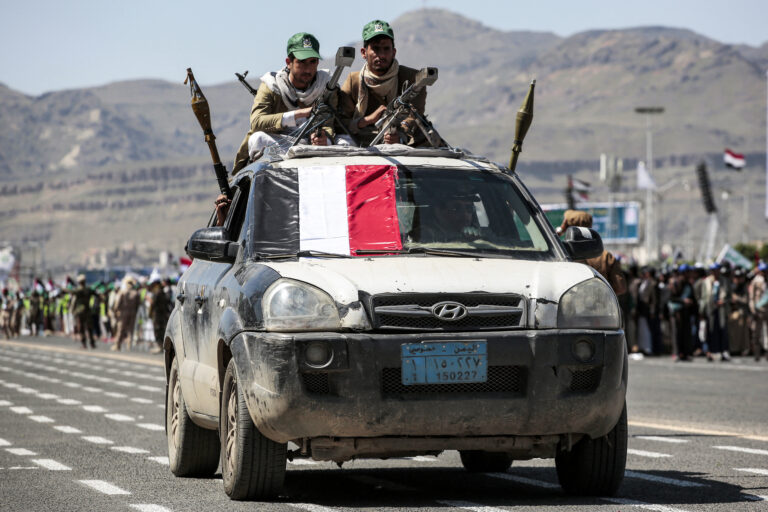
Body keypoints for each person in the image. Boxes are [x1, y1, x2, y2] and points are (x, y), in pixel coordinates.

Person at [232, 32, 340, 174]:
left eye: (312, 62)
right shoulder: (272, 85)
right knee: (258, 139)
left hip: (311, 146)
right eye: (301, 62)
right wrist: (297, 114)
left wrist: (324, 137)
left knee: (344, 142)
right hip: (281, 143)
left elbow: (330, 123)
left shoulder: (326, 86)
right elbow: (257, 122)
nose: (307, 69)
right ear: (288, 62)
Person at [340, 19, 427, 146]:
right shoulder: (354, 81)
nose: (381, 55)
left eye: (386, 49)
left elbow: (414, 115)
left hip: (404, 141)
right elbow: (341, 122)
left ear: (394, 52)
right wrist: (366, 121)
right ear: (364, 53)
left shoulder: (413, 79)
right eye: (375, 49)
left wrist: (400, 135)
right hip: (363, 141)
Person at [557, 210, 627, 296]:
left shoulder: (560, 253)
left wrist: (560, 231)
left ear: (567, 226)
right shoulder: (606, 257)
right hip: (599, 307)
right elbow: (621, 287)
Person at [112, 276, 140, 351]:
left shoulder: (123, 292)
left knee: (120, 329)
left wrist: (115, 312)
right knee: (130, 330)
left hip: (123, 312)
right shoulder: (136, 293)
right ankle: (129, 345)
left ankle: (117, 345)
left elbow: (117, 303)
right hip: (132, 313)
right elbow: (138, 304)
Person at [70, 274, 96, 349]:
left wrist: (72, 310)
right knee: (89, 328)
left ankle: (84, 343)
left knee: (81, 328)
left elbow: (73, 296)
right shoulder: (89, 289)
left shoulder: (78, 290)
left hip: (80, 311)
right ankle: (92, 343)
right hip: (88, 310)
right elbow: (96, 294)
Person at [147, 279, 171, 355]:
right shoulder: (162, 292)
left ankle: (160, 346)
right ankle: (160, 346)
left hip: (157, 315)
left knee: (158, 331)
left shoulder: (157, 292)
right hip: (161, 314)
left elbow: (153, 303)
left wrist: (148, 299)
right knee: (160, 330)